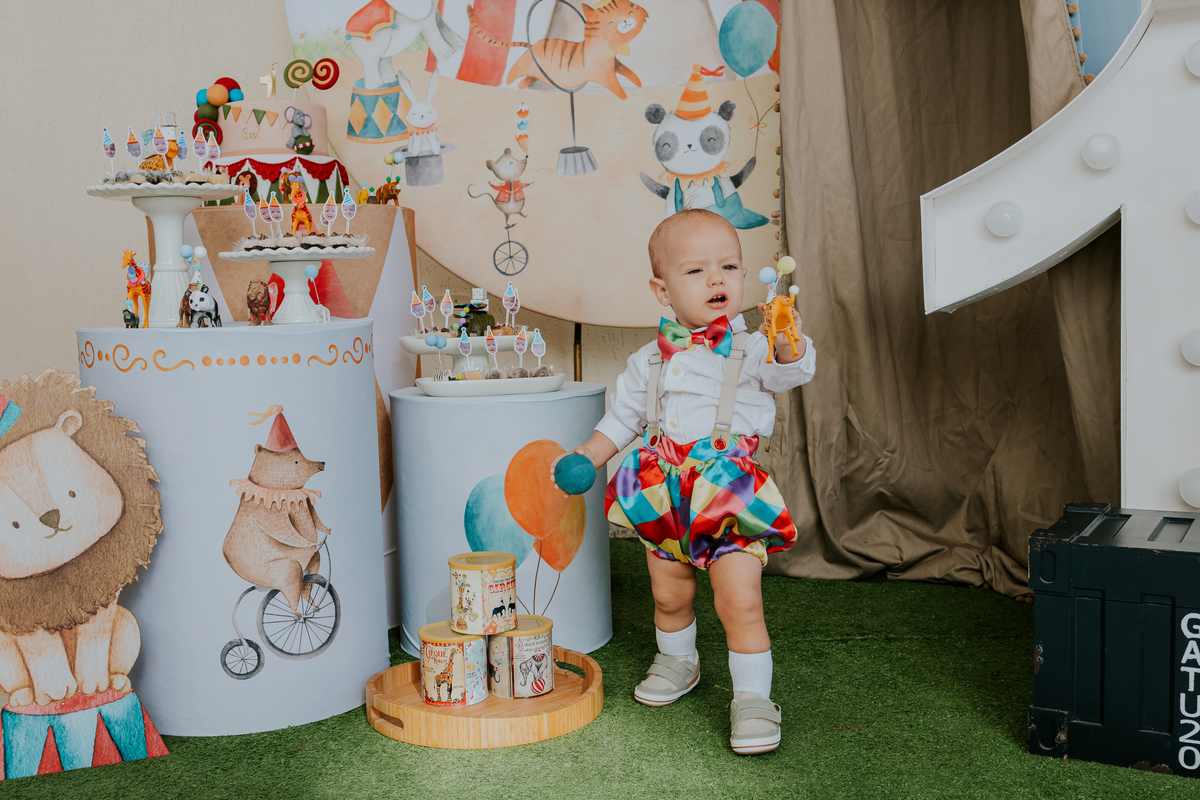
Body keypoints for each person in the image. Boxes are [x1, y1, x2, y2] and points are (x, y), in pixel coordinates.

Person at [553, 207, 815, 754]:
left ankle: (753, 699)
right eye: (696, 271)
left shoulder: (754, 346)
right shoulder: (649, 359)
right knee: (668, 594)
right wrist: (588, 456)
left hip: (727, 492)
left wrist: (788, 340)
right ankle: (678, 660)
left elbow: (791, 369)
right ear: (662, 289)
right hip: (662, 490)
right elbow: (621, 420)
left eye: (729, 266)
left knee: (738, 599)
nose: (717, 279)